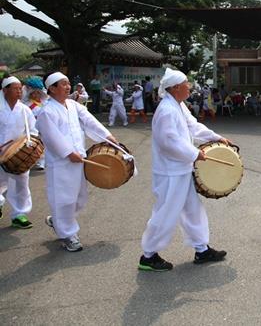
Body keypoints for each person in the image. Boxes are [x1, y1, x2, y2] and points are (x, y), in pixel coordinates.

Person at [139, 68, 231, 272]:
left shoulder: (178, 106)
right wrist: (193, 153)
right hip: (170, 172)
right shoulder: (166, 110)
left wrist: (215, 137)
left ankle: (201, 249)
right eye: (186, 84)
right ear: (175, 88)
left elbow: (193, 126)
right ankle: (148, 255)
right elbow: (168, 142)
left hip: (181, 169)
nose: (189, 86)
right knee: (165, 212)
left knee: (192, 210)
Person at [37, 72, 118, 252]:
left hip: (79, 158)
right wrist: (67, 153)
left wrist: (107, 135)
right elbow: (51, 137)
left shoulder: (73, 105)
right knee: (64, 199)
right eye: (63, 84)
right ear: (52, 88)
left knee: (80, 198)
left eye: (68, 84)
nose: (68, 87)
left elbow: (90, 121)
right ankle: (67, 235)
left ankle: (58, 220)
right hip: (61, 162)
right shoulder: (46, 111)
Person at [0, 76, 38, 228]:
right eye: (15, 88)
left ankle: (19, 214)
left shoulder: (25, 110)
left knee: (21, 184)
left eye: (20, 88)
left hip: (18, 154)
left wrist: (29, 144)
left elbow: (33, 130)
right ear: (4, 90)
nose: (19, 91)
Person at [23, 76, 48, 170]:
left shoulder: (45, 102)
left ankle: (44, 161)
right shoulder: (26, 105)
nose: (36, 94)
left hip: (45, 126)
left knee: (46, 144)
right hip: (34, 127)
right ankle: (39, 161)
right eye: (34, 93)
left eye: (38, 92)